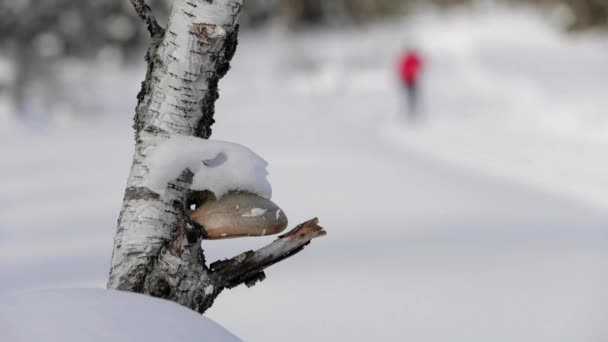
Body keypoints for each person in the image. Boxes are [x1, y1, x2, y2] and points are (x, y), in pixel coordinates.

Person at [398, 49, 423, 119]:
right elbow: (402, 69)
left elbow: (419, 64)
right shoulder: (407, 59)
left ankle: (413, 109)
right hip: (408, 79)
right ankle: (411, 109)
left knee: (412, 95)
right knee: (411, 95)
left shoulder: (410, 59)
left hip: (411, 79)